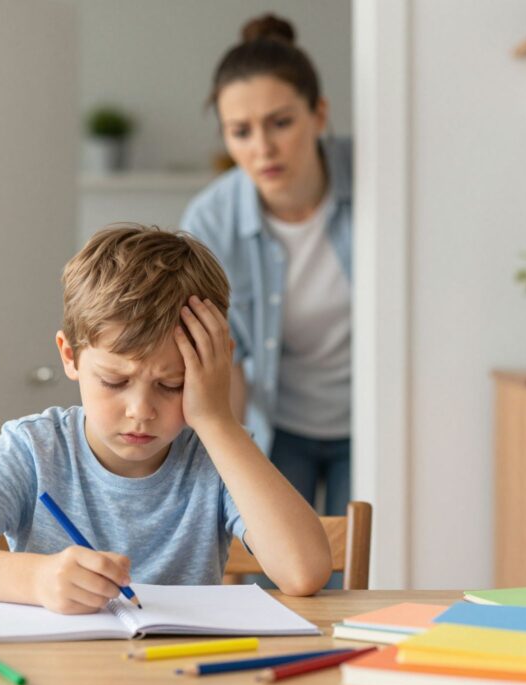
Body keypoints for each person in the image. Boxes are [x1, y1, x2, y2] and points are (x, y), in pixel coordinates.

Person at [0, 225, 331, 613]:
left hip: (181, 682)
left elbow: (303, 571)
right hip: (56, 683)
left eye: (172, 385)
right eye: (115, 380)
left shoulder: (217, 453)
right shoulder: (35, 448)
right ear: (70, 356)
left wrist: (217, 419)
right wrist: (36, 579)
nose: (140, 410)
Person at [180, 14, 352, 527]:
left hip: (372, 423)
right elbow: (221, 359)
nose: (263, 148)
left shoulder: (380, 182)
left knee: (363, 569)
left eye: (280, 123)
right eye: (241, 132)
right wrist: (225, 462)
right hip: (278, 425)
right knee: (275, 568)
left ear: (319, 114)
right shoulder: (210, 220)